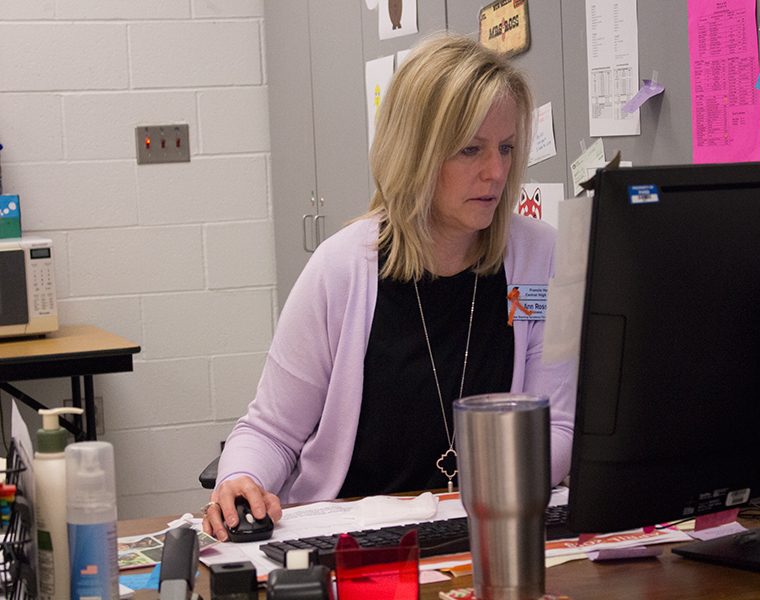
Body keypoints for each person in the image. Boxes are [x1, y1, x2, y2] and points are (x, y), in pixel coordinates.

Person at [202, 33, 576, 542]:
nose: (496, 171)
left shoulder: (539, 259)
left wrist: (470, 505)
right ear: (416, 152)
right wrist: (241, 479)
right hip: (356, 543)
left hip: (484, 530)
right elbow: (271, 432)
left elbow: (556, 427)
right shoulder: (342, 268)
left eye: (506, 148)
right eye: (471, 149)